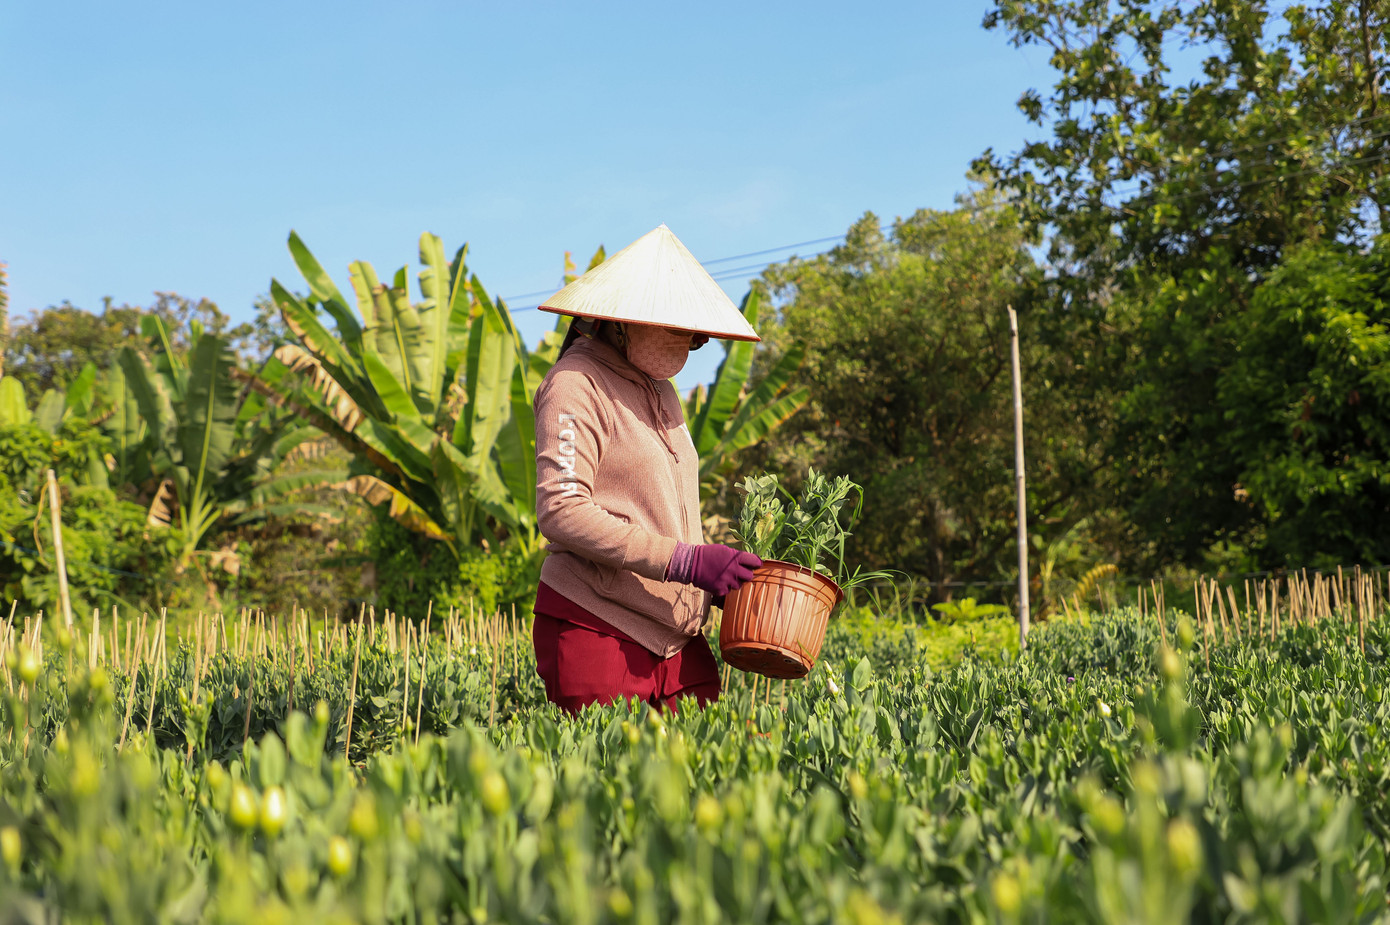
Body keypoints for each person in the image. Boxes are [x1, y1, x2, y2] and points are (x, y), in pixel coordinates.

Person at [530, 224, 764, 714]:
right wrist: (685, 562)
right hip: (600, 624)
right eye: (677, 330)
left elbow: (661, 507)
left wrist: (711, 577)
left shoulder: (659, 388)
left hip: (678, 641)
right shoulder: (575, 386)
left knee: (701, 782)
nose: (688, 345)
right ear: (621, 320)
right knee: (611, 784)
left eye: (695, 337)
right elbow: (562, 510)